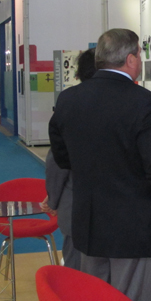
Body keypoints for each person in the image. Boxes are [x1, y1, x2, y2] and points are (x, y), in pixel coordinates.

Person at [49, 29, 151, 301]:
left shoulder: (69, 99)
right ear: (131, 59)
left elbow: (62, 157)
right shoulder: (144, 102)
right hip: (134, 225)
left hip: (88, 220)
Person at [43, 48, 96, 270]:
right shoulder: (131, 100)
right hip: (118, 210)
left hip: (76, 202)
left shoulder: (70, 100)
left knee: (76, 265)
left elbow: (58, 158)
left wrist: (53, 198)